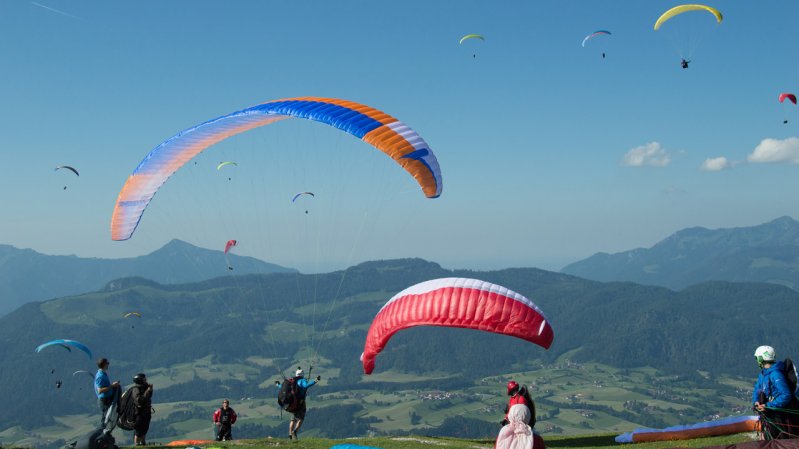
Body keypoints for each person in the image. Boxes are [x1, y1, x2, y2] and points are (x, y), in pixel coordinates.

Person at [752, 345, 798, 439]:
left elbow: (786, 395)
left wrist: (769, 405)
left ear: (761, 358)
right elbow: (757, 389)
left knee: (779, 441)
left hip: (779, 416)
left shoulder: (776, 374)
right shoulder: (763, 374)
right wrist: (756, 401)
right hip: (769, 414)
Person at [276, 368, 320, 440]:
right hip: (300, 404)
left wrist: (278, 384)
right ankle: (295, 431)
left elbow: (283, 387)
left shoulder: (291, 381)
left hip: (292, 404)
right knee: (300, 419)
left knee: (292, 419)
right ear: (302, 374)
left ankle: (290, 434)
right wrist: (315, 380)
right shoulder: (302, 381)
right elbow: (306, 386)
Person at [94, 358, 120, 428]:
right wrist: (112, 385)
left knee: (107, 417)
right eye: (107, 363)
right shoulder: (100, 376)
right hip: (104, 400)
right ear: (104, 364)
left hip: (106, 398)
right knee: (105, 418)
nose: (108, 364)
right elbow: (100, 390)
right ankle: (102, 434)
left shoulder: (103, 374)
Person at [131, 373, 153, 446]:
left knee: (145, 429)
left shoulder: (145, 387)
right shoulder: (135, 389)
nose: (145, 380)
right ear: (140, 380)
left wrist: (150, 390)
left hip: (146, 412)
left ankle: (143, 443)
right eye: (144, 379)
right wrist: (148, 391)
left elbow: (148, 397)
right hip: (139, 413)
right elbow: (139, 400)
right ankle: (136, 444)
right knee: (139, 430)